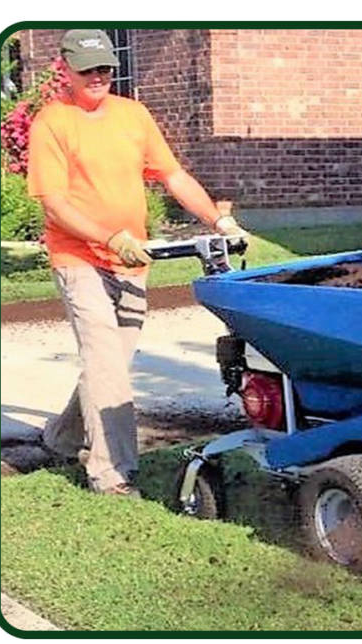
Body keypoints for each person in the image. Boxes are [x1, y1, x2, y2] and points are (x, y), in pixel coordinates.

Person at [26, 29, 247, 497]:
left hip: (132, 263)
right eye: (87, 69)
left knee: (111, 364)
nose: (98, 76)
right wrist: (108, 237)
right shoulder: (53, 122)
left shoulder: (133, 115)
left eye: (105, 67)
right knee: (105, 361)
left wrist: (218, 222)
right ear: (65, 69)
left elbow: (173, 175)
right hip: (79, 257)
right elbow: (55, 206)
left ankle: (62, 437)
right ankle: (113, 474)